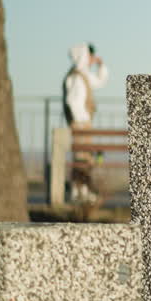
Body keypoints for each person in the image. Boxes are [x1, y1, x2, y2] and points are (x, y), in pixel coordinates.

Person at [63, 43, 109, 204]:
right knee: (81, 157)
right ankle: (78, 190)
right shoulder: (76, 76)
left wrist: (101, 66)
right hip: (80, 123)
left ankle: (82, 189)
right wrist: (80, 120)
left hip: (84, 122)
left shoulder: (82, 75)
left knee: (85, 157)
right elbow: (72, 101)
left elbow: (98, 81)